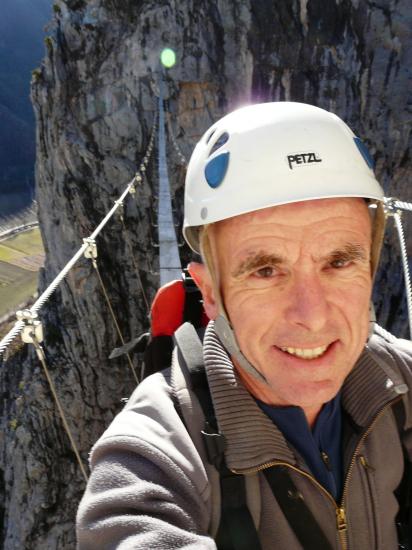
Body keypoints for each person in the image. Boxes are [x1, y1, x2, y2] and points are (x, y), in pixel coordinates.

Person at [76, 102, 412, 549]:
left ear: (370, 270)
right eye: (265, 271)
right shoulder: (157, 454)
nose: (312, 316)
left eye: (339, 261)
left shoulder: (399, 383)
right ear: (210, 293)